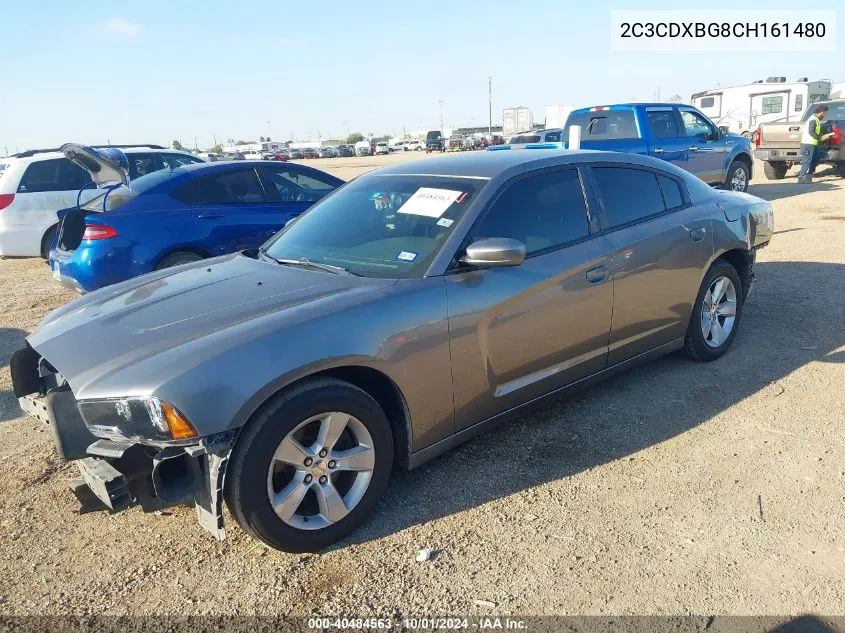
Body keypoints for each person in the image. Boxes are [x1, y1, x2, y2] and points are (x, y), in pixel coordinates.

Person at [797, 105, 834, 183]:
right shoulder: (813, 120)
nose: (825, 115)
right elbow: (811, 132)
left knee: (816, 159)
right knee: (807, 161)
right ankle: (801, 178)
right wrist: (820, 137)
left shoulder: (816, 120)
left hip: (814, 144)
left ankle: (809, 175)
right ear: (821, 112)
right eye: (825, 114)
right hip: (808, 144)